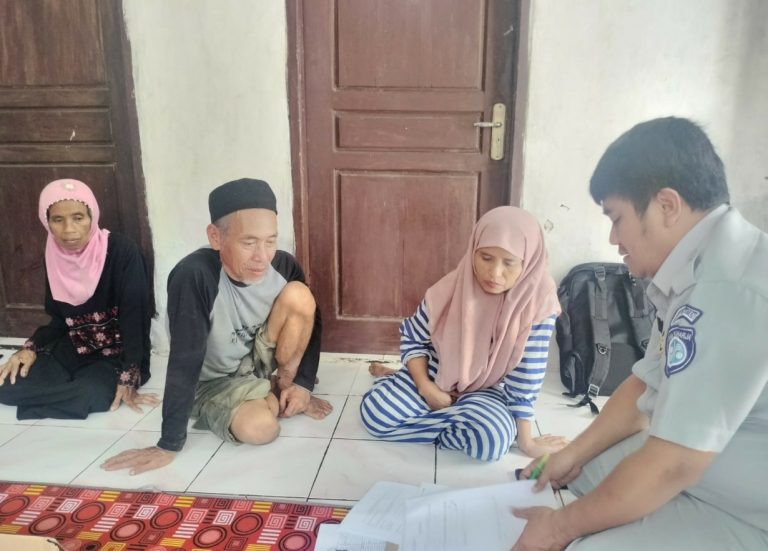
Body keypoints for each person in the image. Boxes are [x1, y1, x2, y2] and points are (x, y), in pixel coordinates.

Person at [512, 117, 768, 550]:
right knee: (584, 474)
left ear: (667, 205)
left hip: (746, 506)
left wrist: (557, 529)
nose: (614, 239)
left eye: (617, 218)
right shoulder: (698, 268)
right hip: (705, 460)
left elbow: (674, 464)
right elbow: (643, 386)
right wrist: (570, 455)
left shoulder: (728, 290)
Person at [101, 178, 332, 474]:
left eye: (270, 241)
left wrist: (303, 384)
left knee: (300, 295)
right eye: (249, 242)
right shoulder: (194, 276)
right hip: (212, 381)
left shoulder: (282, 265)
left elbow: (311, 316)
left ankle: (284, 388)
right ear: (215, 237)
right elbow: (185, 359)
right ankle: (267, 395)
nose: (262, 256)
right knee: (261, 429)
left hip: (254, 361)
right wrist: (169, 443)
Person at [360, 206, 568, 461]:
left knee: (491, 442)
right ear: (473, 250)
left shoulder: (539, 301)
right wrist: (425, 387)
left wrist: (527, 442)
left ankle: (407, 390)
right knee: (377, 414)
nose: (495, 273)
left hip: (488, 386)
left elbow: (526, 376)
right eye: (486, 258)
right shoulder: (452, 286)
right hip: (436, 372)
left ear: (529, 261)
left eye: (509, 263)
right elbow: (413, 337)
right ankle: (421, 396)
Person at [0, 179, 157, 418]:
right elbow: (58, 321)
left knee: (91, 393)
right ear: (47, 222)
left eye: (78, 217)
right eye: (57, 220)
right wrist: (29, 348)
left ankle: (63, 395)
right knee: (7, 387)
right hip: (74, 347)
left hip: (117, 355)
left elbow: (135, 320)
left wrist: (128, 376)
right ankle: (66, 396)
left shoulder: (123, 251)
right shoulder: (54, 255)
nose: (69, 230)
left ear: (92, 217)